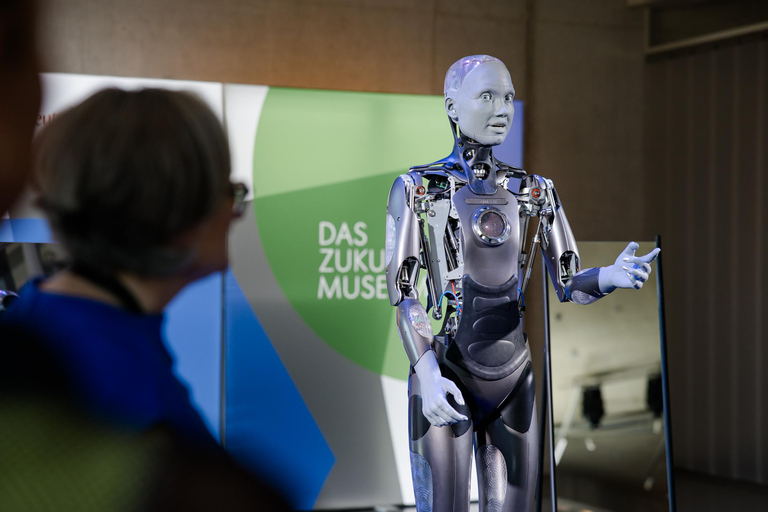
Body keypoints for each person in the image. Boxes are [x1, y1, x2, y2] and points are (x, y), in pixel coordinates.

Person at [385, 55, 659, 512]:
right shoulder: (417, 188)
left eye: (508, 98)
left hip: (515, 379)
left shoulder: (535, 190)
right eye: (487, 96)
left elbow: (568, 283)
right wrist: (427, 372)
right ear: (452, 107)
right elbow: (404, 293)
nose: (502, 109)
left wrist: (608, 276)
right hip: (446, 374)